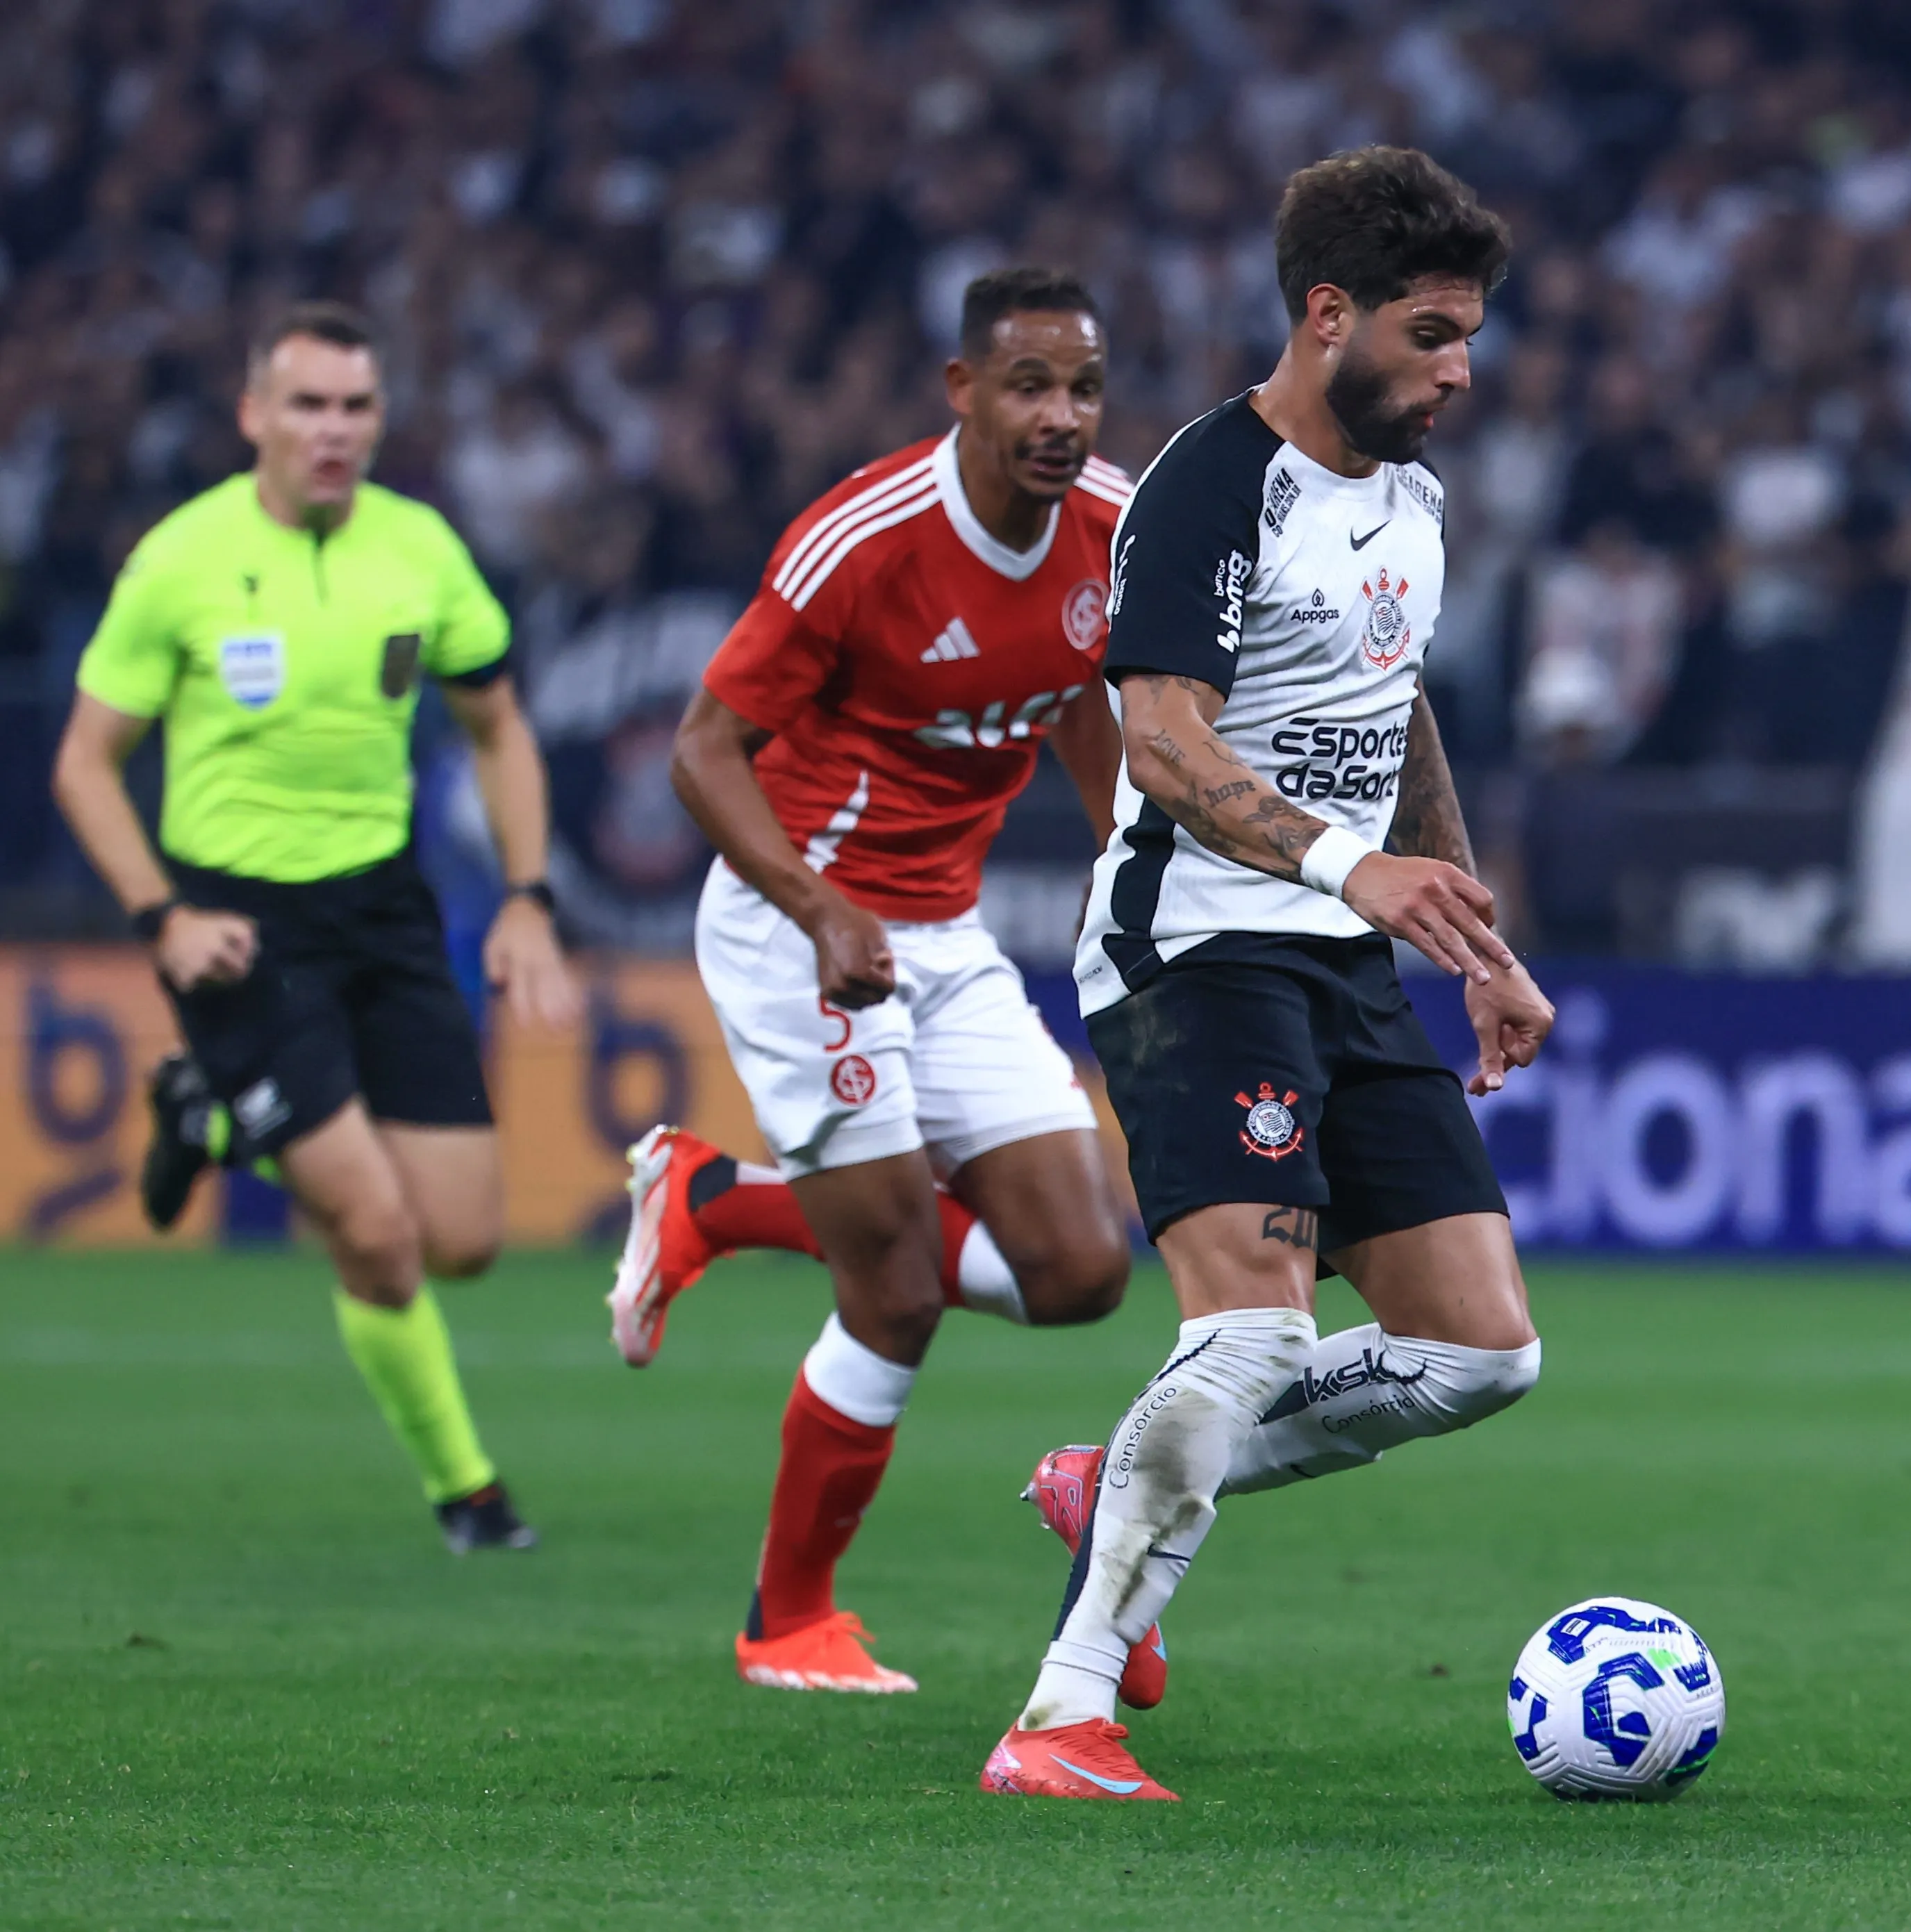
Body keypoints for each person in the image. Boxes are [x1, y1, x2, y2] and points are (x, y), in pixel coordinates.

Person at [979, 146, 1552, 1803]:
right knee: (1247, 1337)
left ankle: (1116, 1477)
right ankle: (1060, 1716)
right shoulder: (1210, 483)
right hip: (1200, 949)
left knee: (1482, 1353)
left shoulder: (1413, 499)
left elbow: (1396, 705)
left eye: (1469, 336)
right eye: (1435, 333)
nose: (1461, 370)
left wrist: (1475, 943)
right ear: (1328, 314)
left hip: (1346, 959)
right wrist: (1345, 864)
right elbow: (1158, 737)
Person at [619, 267, 1141, 1696]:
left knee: (1087, 1268)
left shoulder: (1112, 522)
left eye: (1083, 389)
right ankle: (788, 1621)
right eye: (1029, 385)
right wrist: (817, 903)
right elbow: (701, 750)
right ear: (962, 391)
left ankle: (714, 1199)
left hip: (947, 936)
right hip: (802, 929)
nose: (1059, 416)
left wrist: (1119, 853)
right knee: (896, 1289)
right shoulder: (868, 537)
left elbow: (1092, 686)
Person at [49, 302, 576, 1553]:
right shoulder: (179, 560)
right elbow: (83, 764)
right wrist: (161, 919)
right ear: (253, 417)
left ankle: (213, 1113)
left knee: (463, 1242)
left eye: (356, 409)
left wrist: (527, 896)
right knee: (379, 1238)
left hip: (384, 906)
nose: (333, 432)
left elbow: (499, 726)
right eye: (307, 406)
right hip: (238, 923)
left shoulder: (421, 549)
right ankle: (471, 1496)